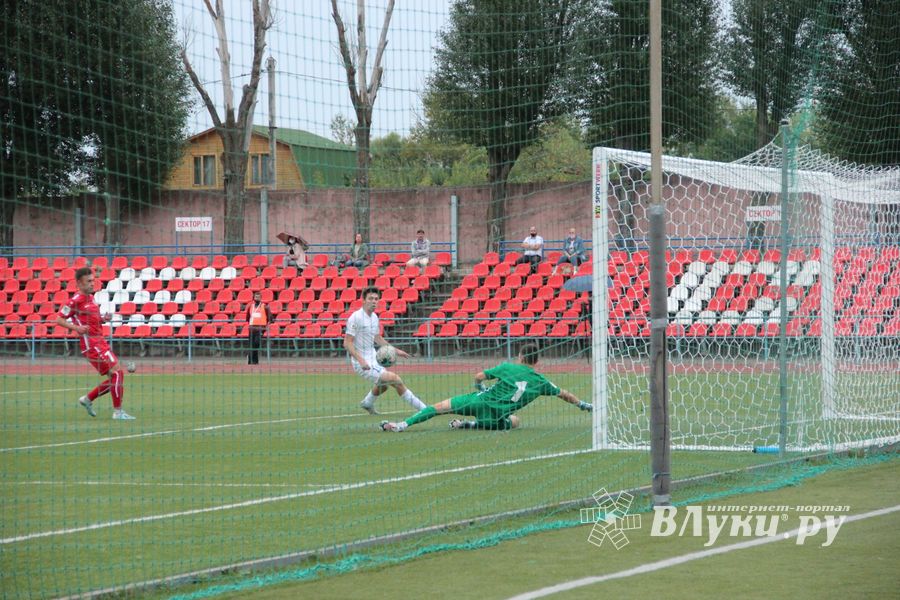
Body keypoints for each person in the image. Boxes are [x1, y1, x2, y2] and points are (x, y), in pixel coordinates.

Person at [380, 343, 591, 432]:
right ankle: (469, 425)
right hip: (496, 417)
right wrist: (582, 404)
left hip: (478, 401)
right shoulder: (541, 381)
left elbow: (478, 376)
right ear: (537, 362)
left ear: (520, 357)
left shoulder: (508, 367)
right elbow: (564, 394)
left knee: (437, 408)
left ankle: (401, 425)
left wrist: (479, 386)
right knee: (515, 421)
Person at [56, 266, 135, 420]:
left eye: (93, 280)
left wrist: (103, 319)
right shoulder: (75, 301)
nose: (92, 284)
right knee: (117, 373)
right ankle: (117, 412)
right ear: (79, 283)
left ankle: (87, 399)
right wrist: (76, 328)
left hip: (100, 342)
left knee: (116, 375)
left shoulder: (91, 298)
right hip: (91, 345)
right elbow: (59, 319)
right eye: (89, 281)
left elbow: (93, 320)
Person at [344, 286, 426, 415]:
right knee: (395, 379)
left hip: (374, 358)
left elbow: (377, 338)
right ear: (363, 300)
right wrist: (361, 361)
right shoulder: (356, 317)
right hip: (362, 362)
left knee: (384, 385)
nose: (374, 301)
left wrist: (396, 351)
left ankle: (367, 403)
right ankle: (424, 409)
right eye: (370, 298)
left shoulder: (374, 317)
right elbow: (347, 342)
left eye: (376, 299)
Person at [246, 290, 271, 365]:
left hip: (260, 328)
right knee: (251, 344)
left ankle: (252, 358)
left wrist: (266, 324)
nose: (257, 298)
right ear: (253, 297)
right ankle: (252, 361)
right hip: (252, 328)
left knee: (256, 343)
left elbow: (270, 317)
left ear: (261, 298)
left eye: (258, 297)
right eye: (256, 297)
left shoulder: (265, 306)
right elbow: (248, 317)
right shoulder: (250, 306)